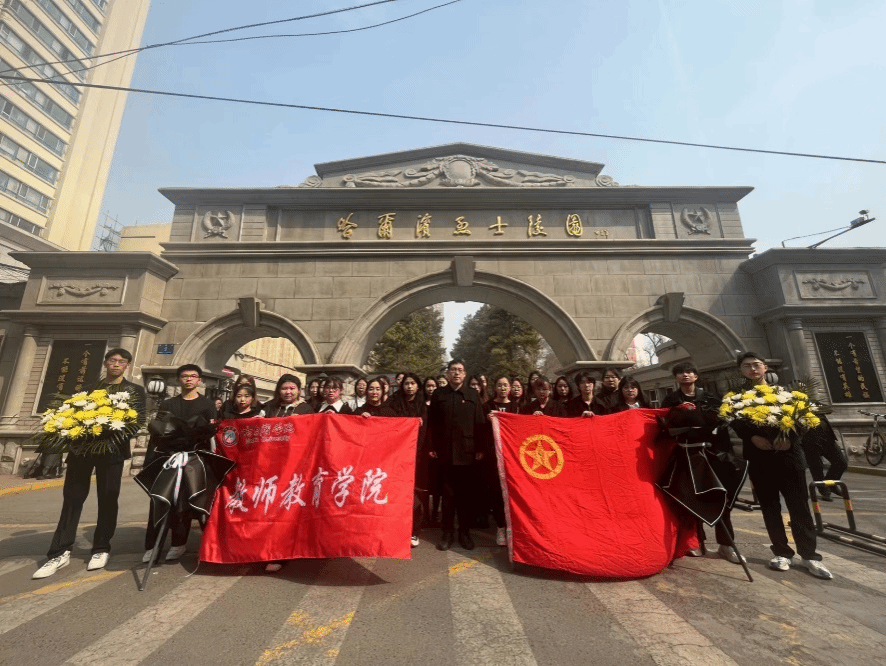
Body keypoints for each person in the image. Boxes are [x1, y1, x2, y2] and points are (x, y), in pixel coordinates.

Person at [33, 348, 146, 579]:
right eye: (112, 360)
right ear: (105, 363)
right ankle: (59, 551)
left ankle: (101, 547)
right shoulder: (88, 390)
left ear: (127, 365)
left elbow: (137, 421)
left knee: (108, 499)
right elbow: (71, 414)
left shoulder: (134, 391)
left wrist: (109, 433)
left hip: (112, 451)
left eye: (121, 361)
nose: (116, 364)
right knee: (72, 499)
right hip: (81, 451)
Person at [729, 352, 833, 579]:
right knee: (770, 507)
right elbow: (735, 422)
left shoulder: (787, 394)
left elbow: (804, 420)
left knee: (799, 507)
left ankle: (810, 556)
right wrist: (753, 437)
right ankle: (782, 552)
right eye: (747, 366)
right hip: (760, 459)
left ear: (765, 367)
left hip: (790, 458)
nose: (752, 369)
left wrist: (790, 439)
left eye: (756, 364)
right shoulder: (737, 399)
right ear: (741, 371)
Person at [662, 361, 742, 563]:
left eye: (689, 372)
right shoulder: (670, 400)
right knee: (691, 500)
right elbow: (663, 426)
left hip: (710, 453)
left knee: (720, 498)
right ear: (676, 378)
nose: (685, 375)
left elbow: (722, 426)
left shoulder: (710, 398)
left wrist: (723, 452)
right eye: (680, 373)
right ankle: (697, 543)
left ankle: (726, 545)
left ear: (696, 376)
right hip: (684, 455)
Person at [142, 364, 217, 563]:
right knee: (160, 499)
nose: (189, 379)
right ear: (178, 379)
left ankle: (178, 542)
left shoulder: (207, 404)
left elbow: (212, 433)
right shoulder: (168, 404)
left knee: (184, 501)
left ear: (199, 380)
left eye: (193, 376)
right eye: (184, 376)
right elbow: (158, 430)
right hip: (170, 457)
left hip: (193, 458)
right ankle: (152, 545)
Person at [428, 359, 486, 551]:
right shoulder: (439, 394)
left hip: (467, 452)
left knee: (465, 496)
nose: (456, 373)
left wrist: (480, 448)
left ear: (465, 374)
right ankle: (447, 533)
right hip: (444, 452)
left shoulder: (472, 394)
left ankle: (464, 532)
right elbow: (432, 423)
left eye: (460, 370)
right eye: (453, 370)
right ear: (447, 373)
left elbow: (479, 422)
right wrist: (432, 446)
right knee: (447, 496)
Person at [389, 373, 428, 548]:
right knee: (397, 493)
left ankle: (414, 531)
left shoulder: (423, 405)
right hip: (396, 454)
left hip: (417, 456)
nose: (409, 387)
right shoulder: (393, 403)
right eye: (407, 383)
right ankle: (396, 529)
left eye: (413, 383)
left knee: (415, 495)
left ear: (418, 386)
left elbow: (427, 431)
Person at [482, 375, 519, 545]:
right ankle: (500, 527)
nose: (503, 388)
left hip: (513, 456)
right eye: (499, 385)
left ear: (510, 388)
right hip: (493, 455)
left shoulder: (517, 407)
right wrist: (487, 421)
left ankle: (514, 526)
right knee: (496, 491)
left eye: (505, 385)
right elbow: (480, 430)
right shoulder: (487, 407)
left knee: (513, 491)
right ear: (494, 388)